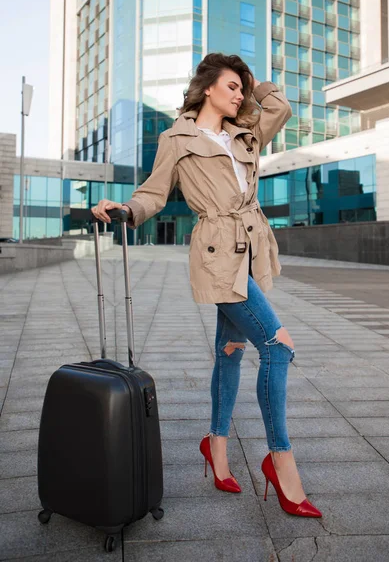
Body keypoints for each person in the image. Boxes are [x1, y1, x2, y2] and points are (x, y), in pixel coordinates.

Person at [92, 53, 322, 518]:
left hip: (251, 248)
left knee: (230, 350)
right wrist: (127, 210)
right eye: (232, 86)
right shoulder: (176, 137)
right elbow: (154, 192)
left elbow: (280, 109)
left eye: (242, 88)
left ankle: (216, 448)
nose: (239, 94)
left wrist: (255, 84)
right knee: (277, 347)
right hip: (216, 253)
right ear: (209, 88)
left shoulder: (246, 130)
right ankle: (280, 463)